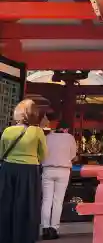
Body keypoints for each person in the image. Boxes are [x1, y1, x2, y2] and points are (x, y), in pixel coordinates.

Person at [0, 99, 48, 243]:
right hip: (29, 171)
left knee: (6, 204)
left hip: (8, 170)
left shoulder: (8, 131)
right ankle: (24, 237)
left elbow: (1, 153)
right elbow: (43, 155)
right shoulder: (37, 131)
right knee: (27, 205)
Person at [41, 121, 77, 240]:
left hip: (48, 169)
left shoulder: (47, 137)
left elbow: (41, 154)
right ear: (66, 129)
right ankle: (54, 228)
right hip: (63, 170)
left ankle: (45, 228)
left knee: (46, 200)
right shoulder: (70, 138)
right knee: (58, 201)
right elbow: (73, 155)